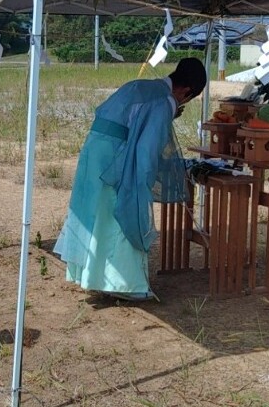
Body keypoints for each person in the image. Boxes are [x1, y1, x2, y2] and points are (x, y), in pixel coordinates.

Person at [54, 58, 207, 301]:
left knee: (95, 213)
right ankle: (126, 284)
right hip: (115, 157)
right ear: (186, 91)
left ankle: (90, 275)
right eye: (187, 99)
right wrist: (144, 179)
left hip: (95, 149)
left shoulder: (142, 85)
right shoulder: (164, 100)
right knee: (121, 212)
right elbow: (148, 148)